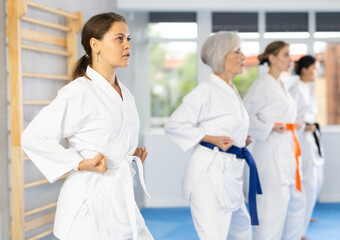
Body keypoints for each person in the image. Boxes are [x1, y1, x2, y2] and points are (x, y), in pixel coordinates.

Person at [21, 12, 153, 240]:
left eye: (128, 38)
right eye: (119, 38)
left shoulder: (127, 95)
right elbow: (32, 137)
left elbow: (110, 141)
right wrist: (79, 163)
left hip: (120, 201)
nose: (127, 45)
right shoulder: (78, 91)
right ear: (96, 45)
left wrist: (130, 157)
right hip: (88, 206)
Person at [165, 31, 262, 240]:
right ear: (220, 56)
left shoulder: (231, 90)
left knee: (242, 230)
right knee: (214, 235)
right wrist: (210, 138)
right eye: (237, 51)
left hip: (230, 173)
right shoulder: (205, 90)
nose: (243, 57)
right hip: (208, 175)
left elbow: (225, 126)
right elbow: (174, 125)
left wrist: (240, 139)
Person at [243, 41, 306, 240]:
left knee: (296, 203)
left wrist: (293, 124)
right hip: (269, 154)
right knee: (271, 212)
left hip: (287, 151)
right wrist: (270, 126)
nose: (291, 59)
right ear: (272, 58)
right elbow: (245, 116)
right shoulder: (262, 85)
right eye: (286, 54)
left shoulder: (280, 84)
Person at [289, 55, 324, 239]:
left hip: (312, 136)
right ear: (304, 69)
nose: (316, 72)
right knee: (308, 183)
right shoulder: (295, 89)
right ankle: (298, 229)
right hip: (303, 138)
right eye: (314, 68)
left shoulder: (307, 88)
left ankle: (306, 216)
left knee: (317, 182)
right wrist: (305, 125)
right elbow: (291, 118)